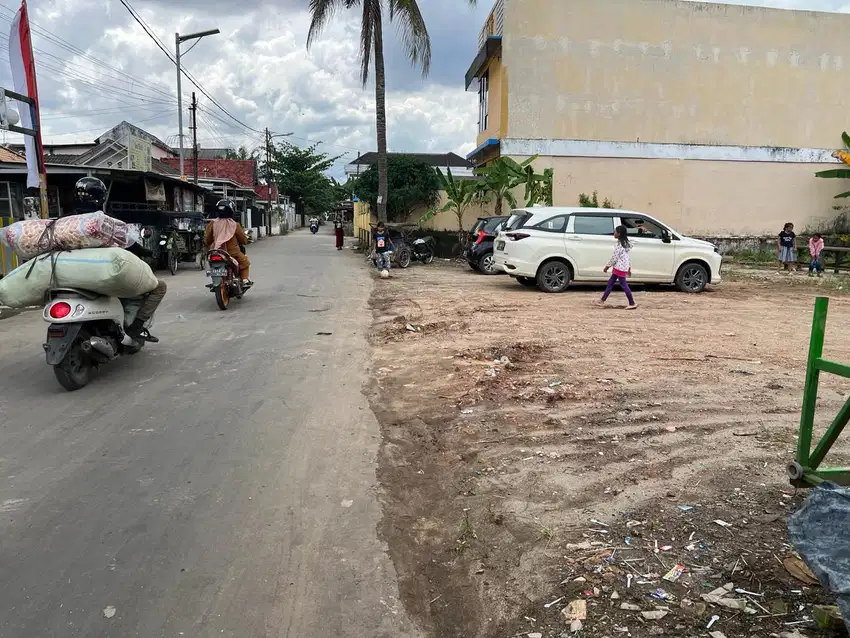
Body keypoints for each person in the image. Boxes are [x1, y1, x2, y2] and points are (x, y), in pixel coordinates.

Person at [69, 177, 166, 343]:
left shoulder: (65, 222)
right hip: (102, 275)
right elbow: (128, 242)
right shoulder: (106, 221)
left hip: (72, 277)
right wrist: (146, 252)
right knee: (159, 287)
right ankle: (136, 327)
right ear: (101, 197)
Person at [204, 199, 251, 285]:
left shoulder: (212, 223)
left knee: (211, 263)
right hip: (232, 253)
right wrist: (245, 240)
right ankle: (244, 280)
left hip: (216, 252)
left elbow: (207, 239)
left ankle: (215, 280)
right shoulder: (235, 225)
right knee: (245, 262)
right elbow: (243, 240)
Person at [598, 225, 637, 310]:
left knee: (623, 285)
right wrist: (629, 267)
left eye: (615, 231)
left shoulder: (619, 245)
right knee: (610, 283)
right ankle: (602, 300)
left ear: (619, 234)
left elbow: (614, 258)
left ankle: (632, 302)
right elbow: (627, 257)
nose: (614, 233)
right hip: (622, 267)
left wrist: (607, 266)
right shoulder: (625, 244)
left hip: (619, 267)